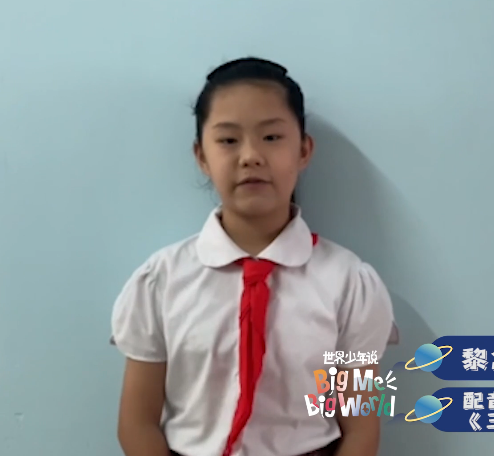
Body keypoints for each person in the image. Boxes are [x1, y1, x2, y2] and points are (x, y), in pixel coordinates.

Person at [111, 57, 396, 456]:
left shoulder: (350, 283)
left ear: (304, 150)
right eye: (228, 140)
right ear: (201, 156)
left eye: (272, 137)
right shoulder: (160, 281)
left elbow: (362, 426)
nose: (250, 156)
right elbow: (136, 424)